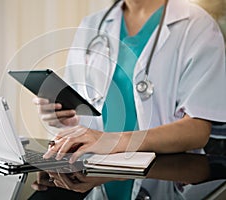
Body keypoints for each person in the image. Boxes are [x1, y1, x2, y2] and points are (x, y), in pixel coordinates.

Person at [33, 0, 226, 199]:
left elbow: (197, 130)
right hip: (96, 175)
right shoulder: (92, 24)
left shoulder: (196, 24)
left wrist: (110, 141)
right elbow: (85, 109)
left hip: (165, 175)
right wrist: (63, 117)